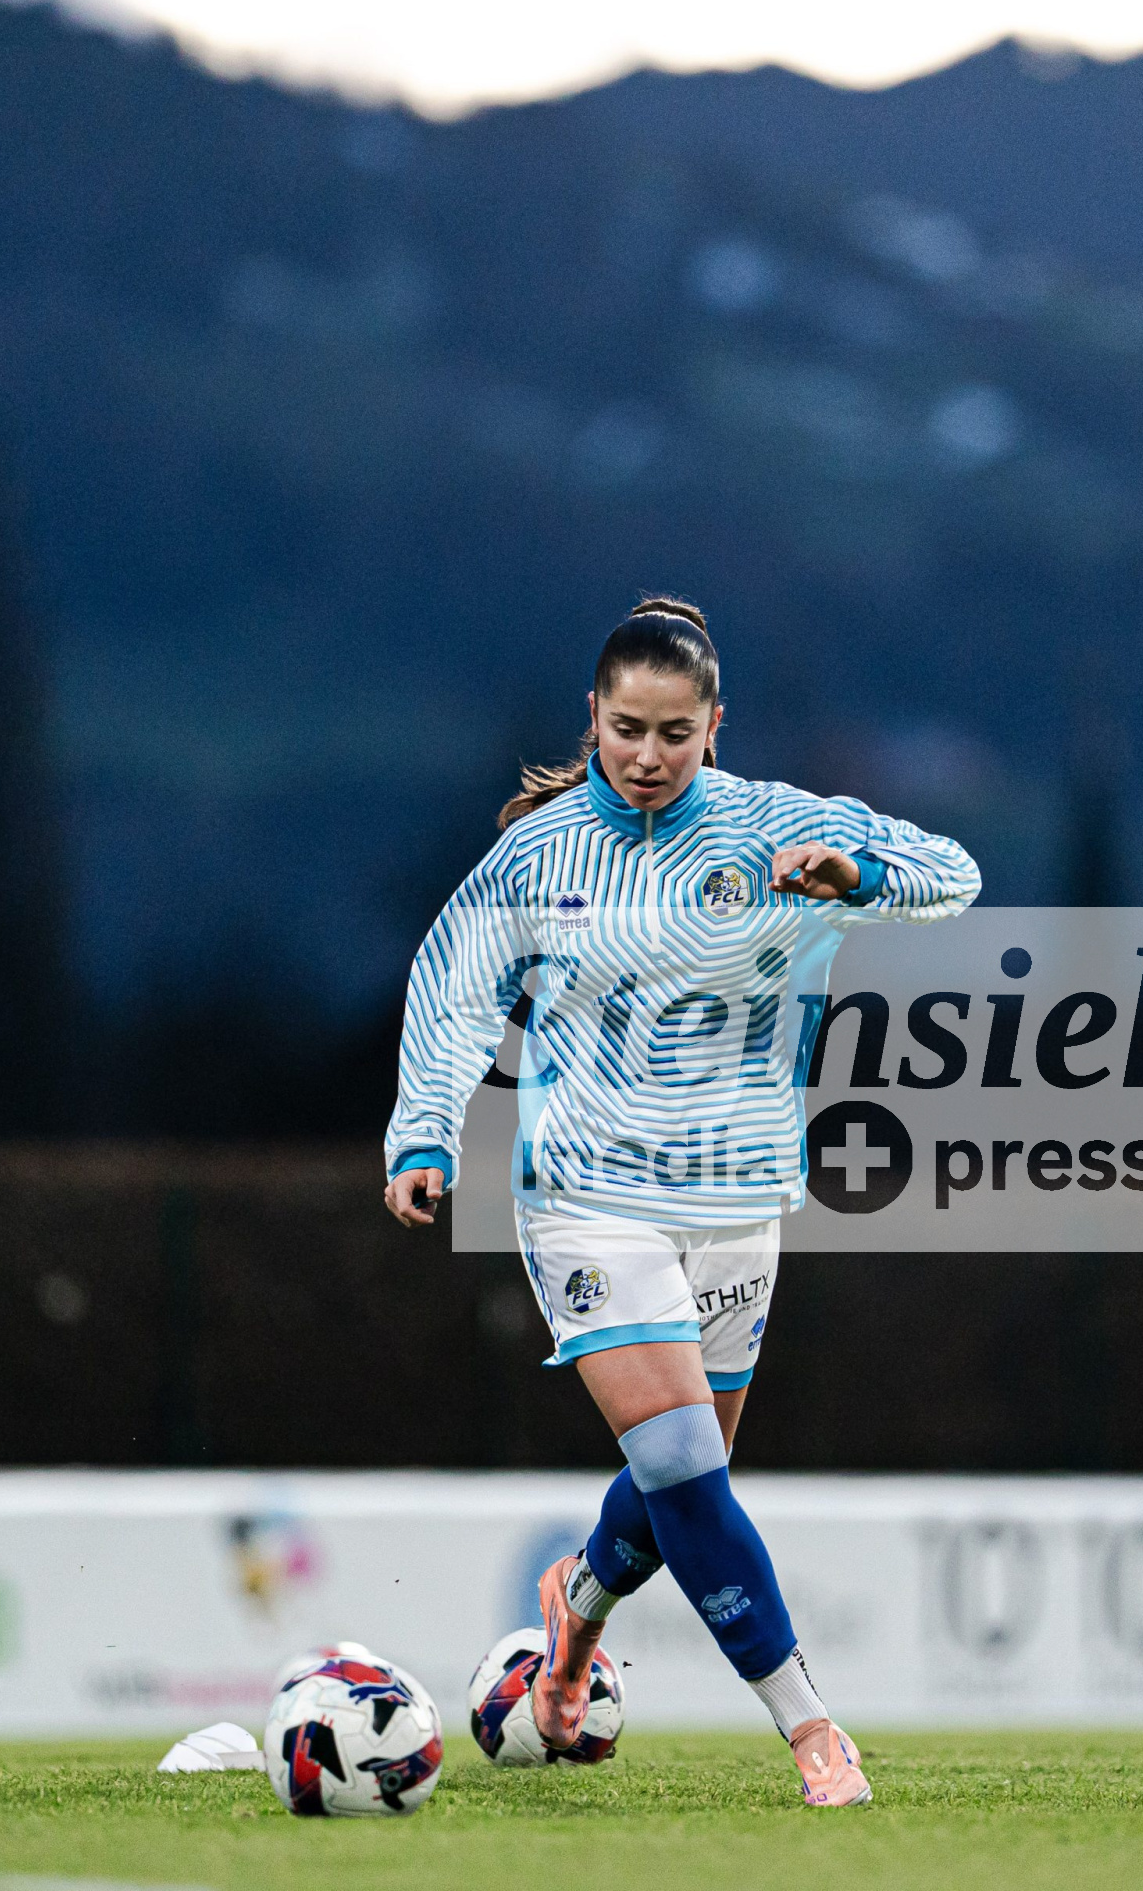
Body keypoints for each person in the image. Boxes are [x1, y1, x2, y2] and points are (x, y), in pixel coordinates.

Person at [384, 595, 980, 1806]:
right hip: (584, 1195)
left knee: (679, 1486)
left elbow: (952, 874)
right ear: (592, 718)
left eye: (671, 731)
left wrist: (853, 872)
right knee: (684, 1467)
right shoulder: (540, 854)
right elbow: (452, 987)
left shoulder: (775, 824)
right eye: (625, 729)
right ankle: (812, 1728)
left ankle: (575, 1611)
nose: (646, 755)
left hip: (738, 1197)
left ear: (714, 725)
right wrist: (424, 1130)